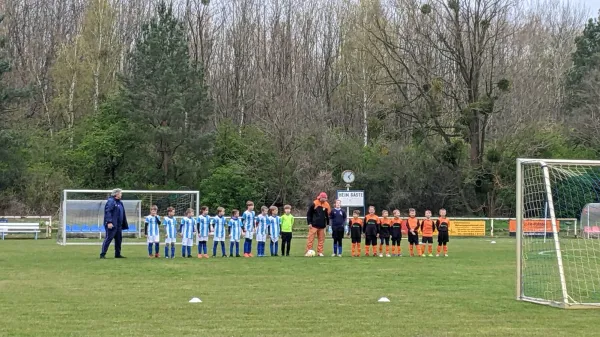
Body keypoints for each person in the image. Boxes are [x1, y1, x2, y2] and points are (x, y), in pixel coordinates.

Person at [100, 188, 129, 259]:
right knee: (108, 238)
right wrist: (109, 222)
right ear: (116, 194)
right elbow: (108, 212)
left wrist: (123, 223)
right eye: (120, 193)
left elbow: (122, 213)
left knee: (119, 239)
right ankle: (102, 254)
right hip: (112, 225)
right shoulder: (111, 201)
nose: (121, 194)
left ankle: (117, 254)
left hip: (119, 225)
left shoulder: (120, 202)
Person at [305, 192, 330, 257]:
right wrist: (309, 223)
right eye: (323, 198)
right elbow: (309, 214)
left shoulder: (327, 205)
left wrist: (327, 223)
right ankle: (308, 251)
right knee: (310, 239)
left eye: (325, 198)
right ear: (320, 197)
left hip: (322, 226)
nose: (324, 199)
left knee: (321, 240)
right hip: (313, 225)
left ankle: (320, 252)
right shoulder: (314, 203)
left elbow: (327, 215)